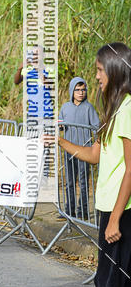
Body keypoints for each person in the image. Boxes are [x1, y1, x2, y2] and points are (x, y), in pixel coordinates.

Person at [51, 42, 131, 287]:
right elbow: (97, 155)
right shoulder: (114, 108)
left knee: (107, 284)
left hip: (120, 211)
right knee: (126, 285)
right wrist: (60, 141)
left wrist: (114, 217)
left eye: (99, 70)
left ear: (114, 70)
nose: (95, 76)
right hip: (115, 209)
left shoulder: (127, 108)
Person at [60, 77, 100, 219]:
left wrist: (97, 143)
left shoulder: (88, 108)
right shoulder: (65, 107)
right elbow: (60, 123)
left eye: (83, 90)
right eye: (77, 90)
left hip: (84, 151)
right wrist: (58, 126)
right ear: (72, 91)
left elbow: (97, 126)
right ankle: (69, 210)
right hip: (69, 151)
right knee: (69, 182)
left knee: (83, 182)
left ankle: (82, 211)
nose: (81, 92)